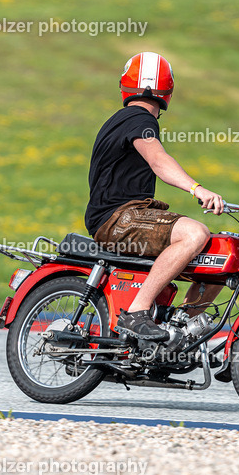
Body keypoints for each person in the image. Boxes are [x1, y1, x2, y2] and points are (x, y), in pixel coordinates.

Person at [85, 52, 225, 342]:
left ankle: (182, 329)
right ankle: (136, 313)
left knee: (219, 254)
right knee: (194, 233)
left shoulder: (124, 118)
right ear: (168, 93)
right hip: (117, 219)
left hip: (126, 218)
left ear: (125, 87)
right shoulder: (136, 119)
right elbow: (158, 160)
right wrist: (197, 189)